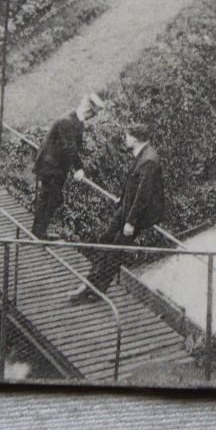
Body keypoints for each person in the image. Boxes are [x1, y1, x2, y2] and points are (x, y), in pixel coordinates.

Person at [71, 122, 164, 301]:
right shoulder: (142, 154)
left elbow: (143, 195)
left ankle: (97, 289)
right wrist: (122, 200)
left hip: (138, 215)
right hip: (127, 207)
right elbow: (134, 184)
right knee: (105, 238)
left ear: (135, 139)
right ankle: (90, 282)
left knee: (116, 250)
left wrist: (131, 221)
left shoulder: (149, 160)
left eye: (128, 136)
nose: (125, 139)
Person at [30, 93, 102, 239]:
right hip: (50, 165)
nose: (93, 116)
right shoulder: (67, 121)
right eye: (94, 113)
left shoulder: (77, 122)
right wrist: (79, 168)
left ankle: (38, 230)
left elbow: (76, 146)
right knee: (51, 197)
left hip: (57, 167)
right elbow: (69, 146)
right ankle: (38, 231)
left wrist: (78, 164)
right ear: (89, 111)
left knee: (49, 197)